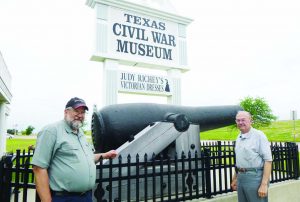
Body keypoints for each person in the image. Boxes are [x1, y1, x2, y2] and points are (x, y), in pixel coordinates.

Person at [32, 97, 118, 202]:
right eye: (76, 111)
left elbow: (86, 158)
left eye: (83, 112)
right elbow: (39, 168)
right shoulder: (51, 131)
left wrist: (104, 155)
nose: (80, 115)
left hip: (86, 196)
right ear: (66, 112)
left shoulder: (80, 133)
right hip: (64, 198)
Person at [231, 111, 272, 202]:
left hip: (255, 179)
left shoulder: (259, 136)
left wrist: (264, 184)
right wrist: (235, 178)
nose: (240, 122)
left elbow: (268, 161)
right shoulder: (239, 137)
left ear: (250, 121)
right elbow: (240, 160)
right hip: (241, 178)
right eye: (238, 120)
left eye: (243, 120)